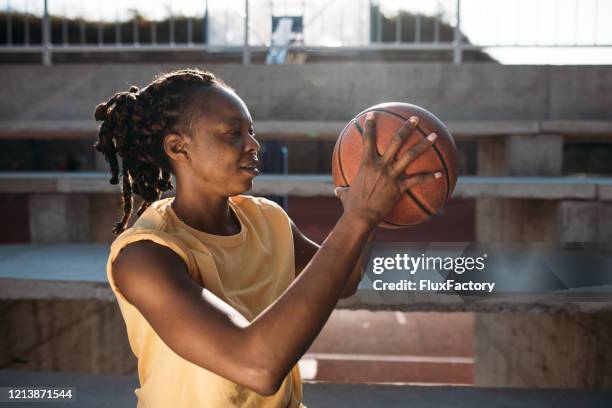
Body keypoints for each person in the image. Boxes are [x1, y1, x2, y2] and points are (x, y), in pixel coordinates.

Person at [94, 68, 440, 408]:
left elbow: (346, 278)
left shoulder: (267, 218)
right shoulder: (144, 256)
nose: (253, 144)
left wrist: (372, 208)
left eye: (251, 131)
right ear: (178, 147)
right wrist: (359, 215)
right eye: (233, 133)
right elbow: (256, 366)